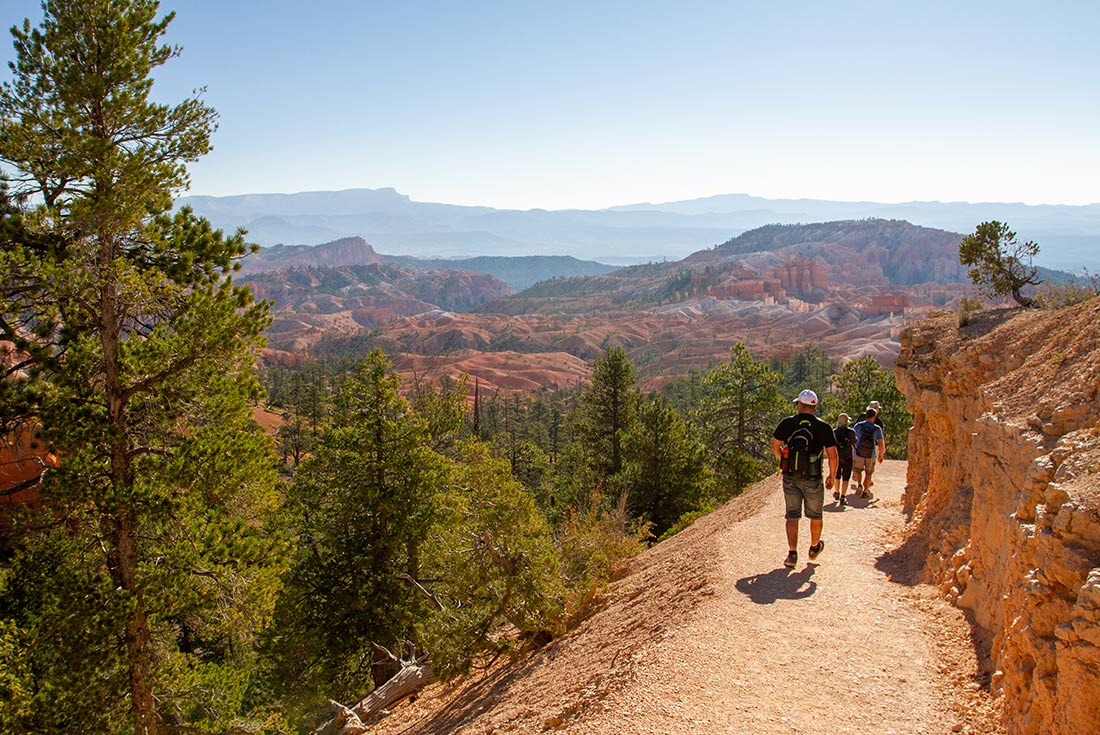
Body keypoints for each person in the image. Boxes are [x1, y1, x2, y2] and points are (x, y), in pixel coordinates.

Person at [772, 389, 838, 569]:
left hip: (790, 476)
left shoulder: (787, 423)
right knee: (815, 515)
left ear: (800, 405)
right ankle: (815, 547)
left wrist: (783, 462)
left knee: (792, 515)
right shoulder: (823, 427)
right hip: (813, 477)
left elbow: (775, 446)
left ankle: (792, 554)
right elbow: (832, 455)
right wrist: (832, 475)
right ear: (814, 406)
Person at [851, 408, 886, 498]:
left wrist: (852, 451)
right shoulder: (877, 428)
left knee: (858, 470)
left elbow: (853, 440)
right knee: (869, 473)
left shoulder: (857, 426)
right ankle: (865, 491)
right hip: (871, 454)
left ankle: (859, 484)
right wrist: (881, 454)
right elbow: (881, 443)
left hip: (859, 453)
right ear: (874, 417)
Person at [832, 413, 856, 506]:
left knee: (837, 475)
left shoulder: (834, 432)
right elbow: (854, 444)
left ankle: (836, 492)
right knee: (846, 477)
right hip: (847, 457)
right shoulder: (851, 432)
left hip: (837, 457)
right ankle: (843, 496)